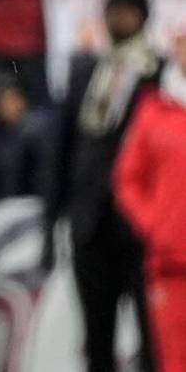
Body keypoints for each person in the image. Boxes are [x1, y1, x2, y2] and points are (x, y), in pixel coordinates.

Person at [44, 0, 161, 372]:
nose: (119, 19)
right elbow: (61, 148)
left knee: (154, 340)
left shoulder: (160, 73)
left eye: (128, 11)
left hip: (142, 230)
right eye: (114, 10)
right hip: (90, 225)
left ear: (143, 18)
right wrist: (54, 218)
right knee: (96, 338)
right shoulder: (85, 69)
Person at [114, 28, 186, 372]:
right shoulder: (153, 111)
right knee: (172, 361)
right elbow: (127, 180)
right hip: (169, 266)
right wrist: (156, 226)